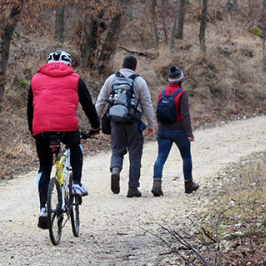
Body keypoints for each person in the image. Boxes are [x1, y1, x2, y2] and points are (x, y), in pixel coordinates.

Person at [27, 49, 101, 229]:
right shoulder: (75, 79)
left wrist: (33, 130)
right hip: (67, 127)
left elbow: (30, 109)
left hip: (42, 128)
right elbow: (88, 105)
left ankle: (44, 208)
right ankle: (76, 184)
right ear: (69, 64)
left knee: (44, 166)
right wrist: (95, 127)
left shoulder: (35, 80)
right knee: (75, 145)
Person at [96, 54, 156, 197]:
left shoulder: (111, 79)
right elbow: (147, 104)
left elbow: (101, 100)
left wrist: (95, 120)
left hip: (115, 122)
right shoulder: (139, 81)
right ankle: (133, 188)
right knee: (135, 155)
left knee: (117, 151)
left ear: (122, 65)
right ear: (135, 67)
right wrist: (151, 124)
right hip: (133, 123)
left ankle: (115, 169)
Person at [152, 65, 199, 196]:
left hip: (163, 130)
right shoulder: (182, 94)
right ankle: (188, 184)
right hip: (179, 131)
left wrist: (158, 127)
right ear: (181, 79)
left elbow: (158, 112)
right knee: (186, 156)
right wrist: (189, 133)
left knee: (161, 157)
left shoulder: (161, 93)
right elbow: (185, 115)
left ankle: (156, 183)